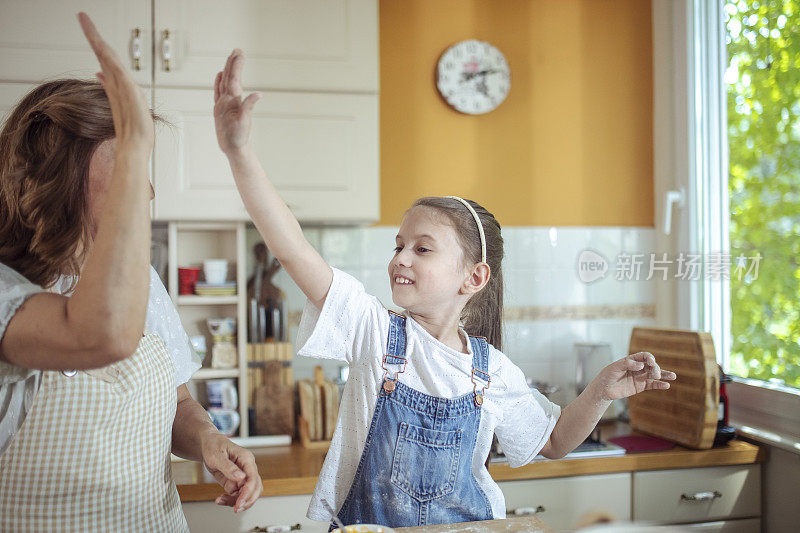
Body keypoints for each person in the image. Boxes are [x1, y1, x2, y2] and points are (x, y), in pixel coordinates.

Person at [213, 49, 677, 529]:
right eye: (399, 245)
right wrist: (238, 152)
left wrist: (600, 389)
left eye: (422, 248)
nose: (401, 258)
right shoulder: (372, 331)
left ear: (473, 278)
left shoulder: (491, 371)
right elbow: (292, 250)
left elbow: (553, 442)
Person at [0, 15, 261, 531]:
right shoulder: (9, 291)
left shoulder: (141, 278)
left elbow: (176, 400)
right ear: (57, 180)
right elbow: (99, 334)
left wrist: (207, 438)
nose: (146, 191)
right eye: (127, 169)